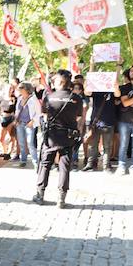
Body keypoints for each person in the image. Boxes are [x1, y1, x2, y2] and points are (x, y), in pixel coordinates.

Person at [33, 70, 83, 208]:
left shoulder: (49, 97)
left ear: (60, 82)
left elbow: (43, 116)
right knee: (64, 167)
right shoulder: (76, 98)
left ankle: (40, 194)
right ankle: (61, 198)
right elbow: (78, 117)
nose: (52, 83)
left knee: (45, 164)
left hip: (52, 136)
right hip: (68, 136)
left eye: (54, 81)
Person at [83, 74, 120, 171]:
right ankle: (90, 164)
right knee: (92, 144)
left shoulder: (112, 90)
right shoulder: (96, 89)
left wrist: (115, 85)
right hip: (95, 121)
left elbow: (118, 95)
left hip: (109, 121)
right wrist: (89, 75)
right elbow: (87, 92)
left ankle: (106, 165)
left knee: (107, 146)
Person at [15, 83, 41, 168]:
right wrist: (16, 120)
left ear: (26, 89)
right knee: (21, 142)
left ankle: (35, 161)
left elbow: (38, 112)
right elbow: (17, 110)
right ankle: (23, 159)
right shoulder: (19, 98)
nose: (20, 90)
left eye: (21, 88)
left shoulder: (33, 99)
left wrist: (32, 121)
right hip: (20, 123)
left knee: (30, 143)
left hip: (29, 124)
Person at [0, 83, 18, 160]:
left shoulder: (14, 98)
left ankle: (9, 153)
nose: (10, 90)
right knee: (1, 138)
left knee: (11, 137)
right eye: (9, 88)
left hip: (11, 118)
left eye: (11, 89)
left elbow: (16, 110)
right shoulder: (1, 98)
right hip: (3, 118)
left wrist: (14, 121)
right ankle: (4, 151)